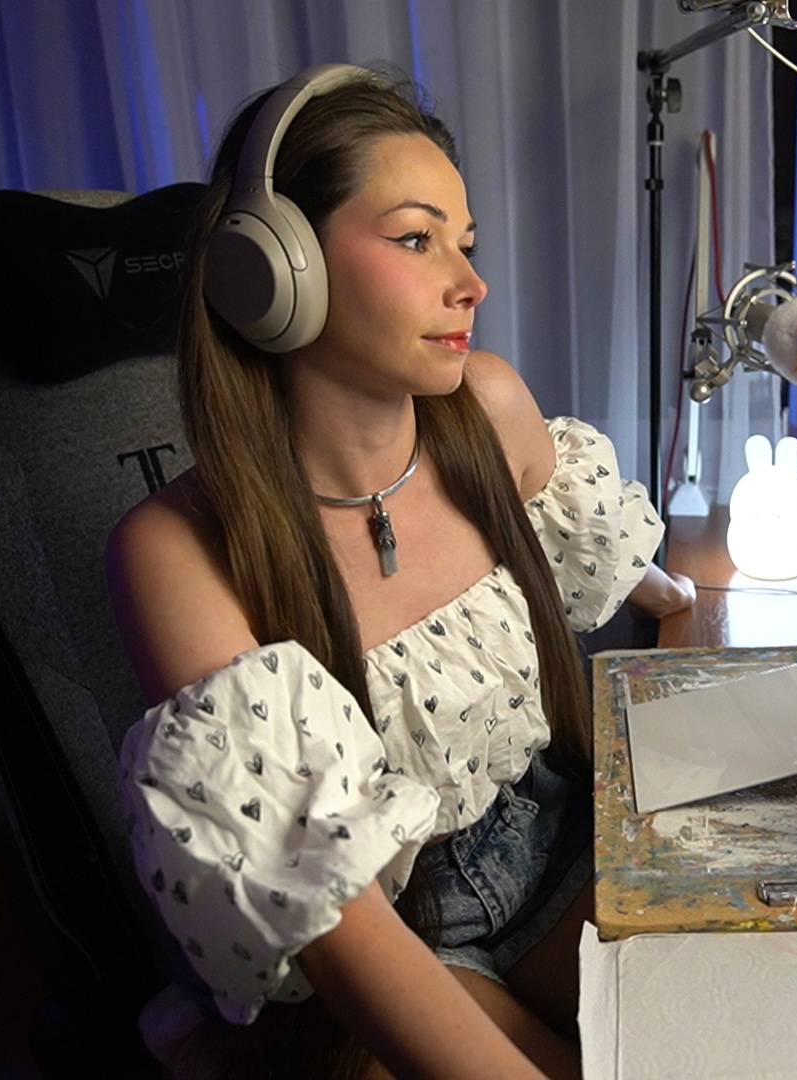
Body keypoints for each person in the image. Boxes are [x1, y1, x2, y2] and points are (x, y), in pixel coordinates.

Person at [107, 66, 695, 1079]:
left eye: (467, 244)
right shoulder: (176, 551)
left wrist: (683, 603)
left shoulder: (491, 409)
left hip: (564, 840)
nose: (471, 283)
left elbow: (595, 547)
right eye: (418, 240)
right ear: (274, 270)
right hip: (406, 932)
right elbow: (338, 918)